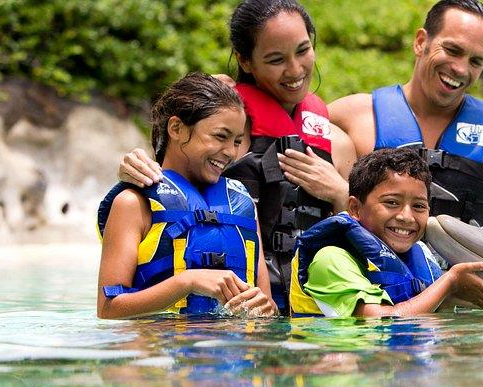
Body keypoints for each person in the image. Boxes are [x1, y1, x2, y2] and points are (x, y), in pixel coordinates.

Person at [113, 0, 354, 314]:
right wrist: (134, 166)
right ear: (244, 60)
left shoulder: (336, 141)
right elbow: (170, 182)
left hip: (308, 306)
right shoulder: (218, 121)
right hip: (228, 302)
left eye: (303, 50)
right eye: (275, 59)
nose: (295, 70)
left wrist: (340, 194)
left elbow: (364, 240)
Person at [329, 0, 483, 226]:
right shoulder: (349, 117)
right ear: (420, 42)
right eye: (452, 50)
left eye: (475, 61)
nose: (461, 69)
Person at [97, 73, 276, 319]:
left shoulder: (243, 205)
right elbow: (108, 309)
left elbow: (266, 304)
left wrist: (267, 308)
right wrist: (187, 281)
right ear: (176, 128)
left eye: (237, 141)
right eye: (220, 136)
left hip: (237, 343)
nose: (230, 153)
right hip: (160, 342)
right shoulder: (133, 203)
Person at [289, 148, 483, 317]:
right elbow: (382, 321)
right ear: (355, 208)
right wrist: (450, 282)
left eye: (419, 206)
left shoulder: (421, 255)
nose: (406, 217)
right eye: (391, 202)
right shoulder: (331, 260)